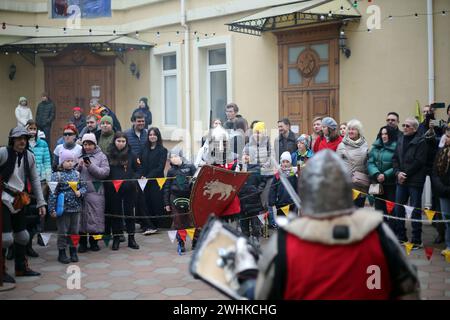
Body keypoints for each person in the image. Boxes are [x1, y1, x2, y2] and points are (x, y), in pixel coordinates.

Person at [227, 150, 420, 300]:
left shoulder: (285, 244)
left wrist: (248, 277)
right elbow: (409, 291)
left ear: (306, 191)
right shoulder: (380, 235)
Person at [1, 127, 46, 283]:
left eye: (25, 138)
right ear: (12, 139)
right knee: (5, 238)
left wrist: (41, 202)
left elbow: (35, 180)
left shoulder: (30, 156)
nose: (22, 141)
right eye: (19, 138)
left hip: (19, 200)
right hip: (3, 199)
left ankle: (21, 268)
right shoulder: (3, 153)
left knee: (23, 236)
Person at [392, 117, 427, 249]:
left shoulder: (421, 141)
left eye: (407, 126)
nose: (404, 128)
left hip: (414, 181)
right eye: (404, 125)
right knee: (398, 208)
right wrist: (397, 173)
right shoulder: (400, 139)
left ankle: (417, 240)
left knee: (415, 210)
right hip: (401, 180)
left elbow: (419, 161)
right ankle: (401, 237)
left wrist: (404, 174)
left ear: (415, 128)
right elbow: (395, 158)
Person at [48, 149, 87, 264]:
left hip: (76, 208)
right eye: (67, 161)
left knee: (74, 231)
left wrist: (80, 192)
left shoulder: (77, 174)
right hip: (63, 209)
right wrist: (52, 209)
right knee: (63, 231)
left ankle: (73, 251)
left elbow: (84, 187)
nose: (70, 163)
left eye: (71, 160)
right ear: (61, 162)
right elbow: (52, 193)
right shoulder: (56, 176)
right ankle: (62, 252)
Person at [104, 132, 140, 251]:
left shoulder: (132, 155)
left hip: (129, 189)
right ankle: (116, 238)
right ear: (114, 141)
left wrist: (132, 180)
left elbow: (138, 170)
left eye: (123, 141)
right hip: (113, 189)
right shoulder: (109, 155)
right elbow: (106, 171)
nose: (120, 143)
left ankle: (131, 238)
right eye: (118, 141)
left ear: (126, 142)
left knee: (130, 213)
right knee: (116, 214)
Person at [77, 133, 110, 252]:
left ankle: (94, 242)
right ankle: (82, 243)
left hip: (96, 192)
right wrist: (79, 168)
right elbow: (73, 173)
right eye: (85, 144)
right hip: (81, 192)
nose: (87, 146)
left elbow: (104, 173)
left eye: (90, 144)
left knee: (95, 218)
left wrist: (90, 166)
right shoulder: (79, 156)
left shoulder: (102, 156)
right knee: (81, 218)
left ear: (95, 145)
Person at [25, 120, 51, 257]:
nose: (32, 131)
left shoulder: (43, 144)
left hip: (40, 181)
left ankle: (30, 244)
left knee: (36, 214)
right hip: (24, 182)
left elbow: (47, 162)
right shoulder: (23, 143)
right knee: (23, 213)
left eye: (34, 129)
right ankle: (14, 247)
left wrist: (47, 181)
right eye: (30, 128)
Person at [163, 148, 196, 252]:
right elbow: (167, 187)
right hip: (175, 198)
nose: (173, 159)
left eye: (175, 156)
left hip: (189, 198)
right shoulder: (171, 171)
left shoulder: (190, 167)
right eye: (171, 157)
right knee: (178, 222)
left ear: (181, 156)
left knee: (192, 221)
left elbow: (196, 183)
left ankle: (195, 242)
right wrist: (166, 203)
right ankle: (181, 243)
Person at [368, 125, 398, 230]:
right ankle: (382, 231)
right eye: (382, 134)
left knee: (392, 208)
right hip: (377, 182)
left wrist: (385, 175)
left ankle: (393, 230)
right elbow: (370, 162)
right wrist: (376, 174)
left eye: (386, 134)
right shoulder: (375, 147)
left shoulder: (397, 147)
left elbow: (396, 165)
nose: (384, 136)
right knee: (379, 208)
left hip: (390, 183)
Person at [139, 127, 167, 235]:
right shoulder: (144, 149)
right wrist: (142, 175)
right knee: (145, 202)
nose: (152, 136)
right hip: (144, 180)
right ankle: (147, 224)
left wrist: (149, 177)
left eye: (154, 134)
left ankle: (154, 225)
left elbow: (160, 167)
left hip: (156, 180)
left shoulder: (162, 150)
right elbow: (141, 164)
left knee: (155, 202)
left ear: (158, 136)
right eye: (150, 135)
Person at [237, 147, 267, 248]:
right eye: (244, 154)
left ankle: (255, 237)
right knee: (243, 223)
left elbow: (263, 180)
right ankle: (246, 239)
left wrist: (258, 189)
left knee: (255, 223)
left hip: (254, 201)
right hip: (242, 201)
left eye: (248, 154)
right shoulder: (239, 168)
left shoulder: (257, 168)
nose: (245, 156)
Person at [336, 119, 369, 208]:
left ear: (359, 131)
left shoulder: (365, 144)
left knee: (359, 209)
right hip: (347, 184)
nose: (350, 131)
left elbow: (367, 163)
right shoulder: (342, 145)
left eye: (353, 129)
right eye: (349, 129)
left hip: (361, 184)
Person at [431, 126, 450, 257]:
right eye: (446, 136)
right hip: (443, 193)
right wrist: (441, 187)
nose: (446, 139)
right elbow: (435, 172)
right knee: (447, 220)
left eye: (449, 136)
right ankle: (449, 245)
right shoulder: (442, 151)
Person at [269, 151, 298, 217]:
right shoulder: (277, 174)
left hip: (292, 203)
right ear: (281, 162)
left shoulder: (293, 174)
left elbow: (297, 187)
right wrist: (272, 200)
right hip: (280, 203)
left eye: (287, 162)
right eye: (283, 162)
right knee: (281, 223)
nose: (285, 164)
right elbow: (273, 188)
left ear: (290, 163)